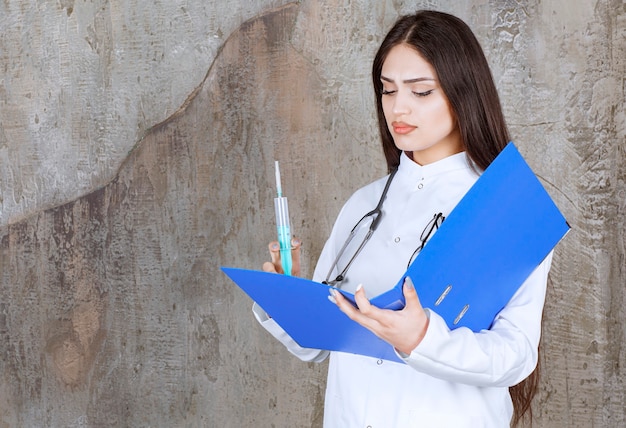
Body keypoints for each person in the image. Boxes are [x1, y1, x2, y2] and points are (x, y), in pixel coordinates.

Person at [255, 9, 552, 428]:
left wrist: (422, 339)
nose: (399, 108)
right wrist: (285, 293)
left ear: (462, 93)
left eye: (421, 92)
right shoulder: (363, 205)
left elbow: (516, 354)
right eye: (388, 90)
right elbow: (313, 345)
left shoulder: (508, 209)